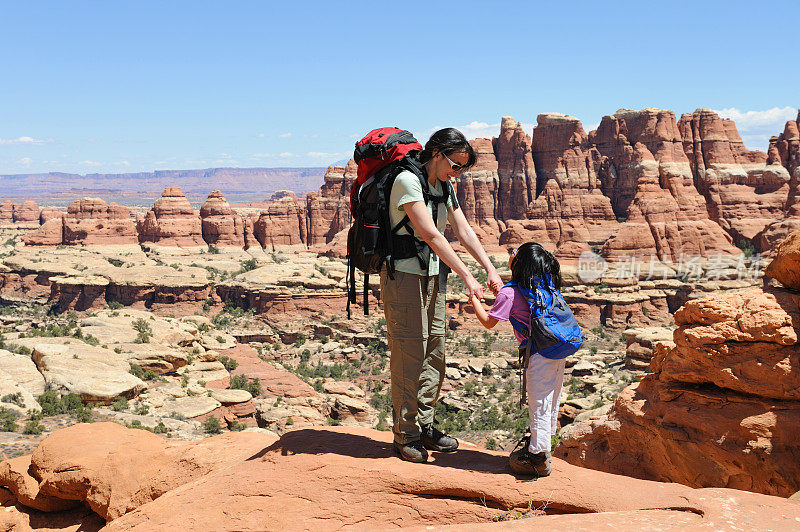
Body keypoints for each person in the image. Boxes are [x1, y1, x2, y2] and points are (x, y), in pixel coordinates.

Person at [382, 127, 502, 463]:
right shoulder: (407, 181)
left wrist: (489, 268)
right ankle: (405, 435)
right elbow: (432, 235)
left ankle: (425, 425)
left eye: (463, 167)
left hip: (433, 275)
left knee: (435, 349)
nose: (458, 173)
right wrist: (468, 276)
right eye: (456, 164)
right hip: (404, 276)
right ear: (437, 153)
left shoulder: (444, 186)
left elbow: (463, 230)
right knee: (410, 353)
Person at [469, 242, 566, 476]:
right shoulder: (542, 285)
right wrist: (501, 291)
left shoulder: (510, 292)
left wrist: (475, 299)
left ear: (520, 264)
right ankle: (543, 447)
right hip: (557, 350)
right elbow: (515, 302)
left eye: (515, 253)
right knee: (550, 399)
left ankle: (537, 459)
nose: (510, 254)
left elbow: (487, 322)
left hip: (538, 354)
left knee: (539, 403)